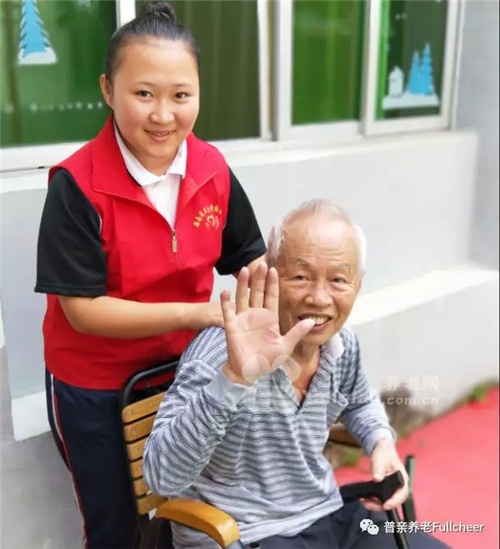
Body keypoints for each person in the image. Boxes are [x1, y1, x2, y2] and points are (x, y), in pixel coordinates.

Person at [34, 2, 266, 548]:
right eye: (144, 94)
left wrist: (306, 284)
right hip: (96, 387)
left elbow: (249, 258)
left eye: (181, 95)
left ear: (199, 95)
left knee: (183, 510)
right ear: (108, 90)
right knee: (116, 524)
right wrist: (201, 314)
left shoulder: (212, 168)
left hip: (185, 375)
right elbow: (83, 310)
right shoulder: (77, 184)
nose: (164, 115)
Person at [143, 200, 452, 549]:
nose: (320, 298)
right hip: (243, 531)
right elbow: (161, 477)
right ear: (268, 273)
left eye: (338, 280)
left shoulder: (341, 344)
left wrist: (381, 441)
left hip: (323, 515)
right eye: (301, 277)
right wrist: (233, 378)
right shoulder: (220, 350)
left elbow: (361, 401)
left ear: (358, 285)